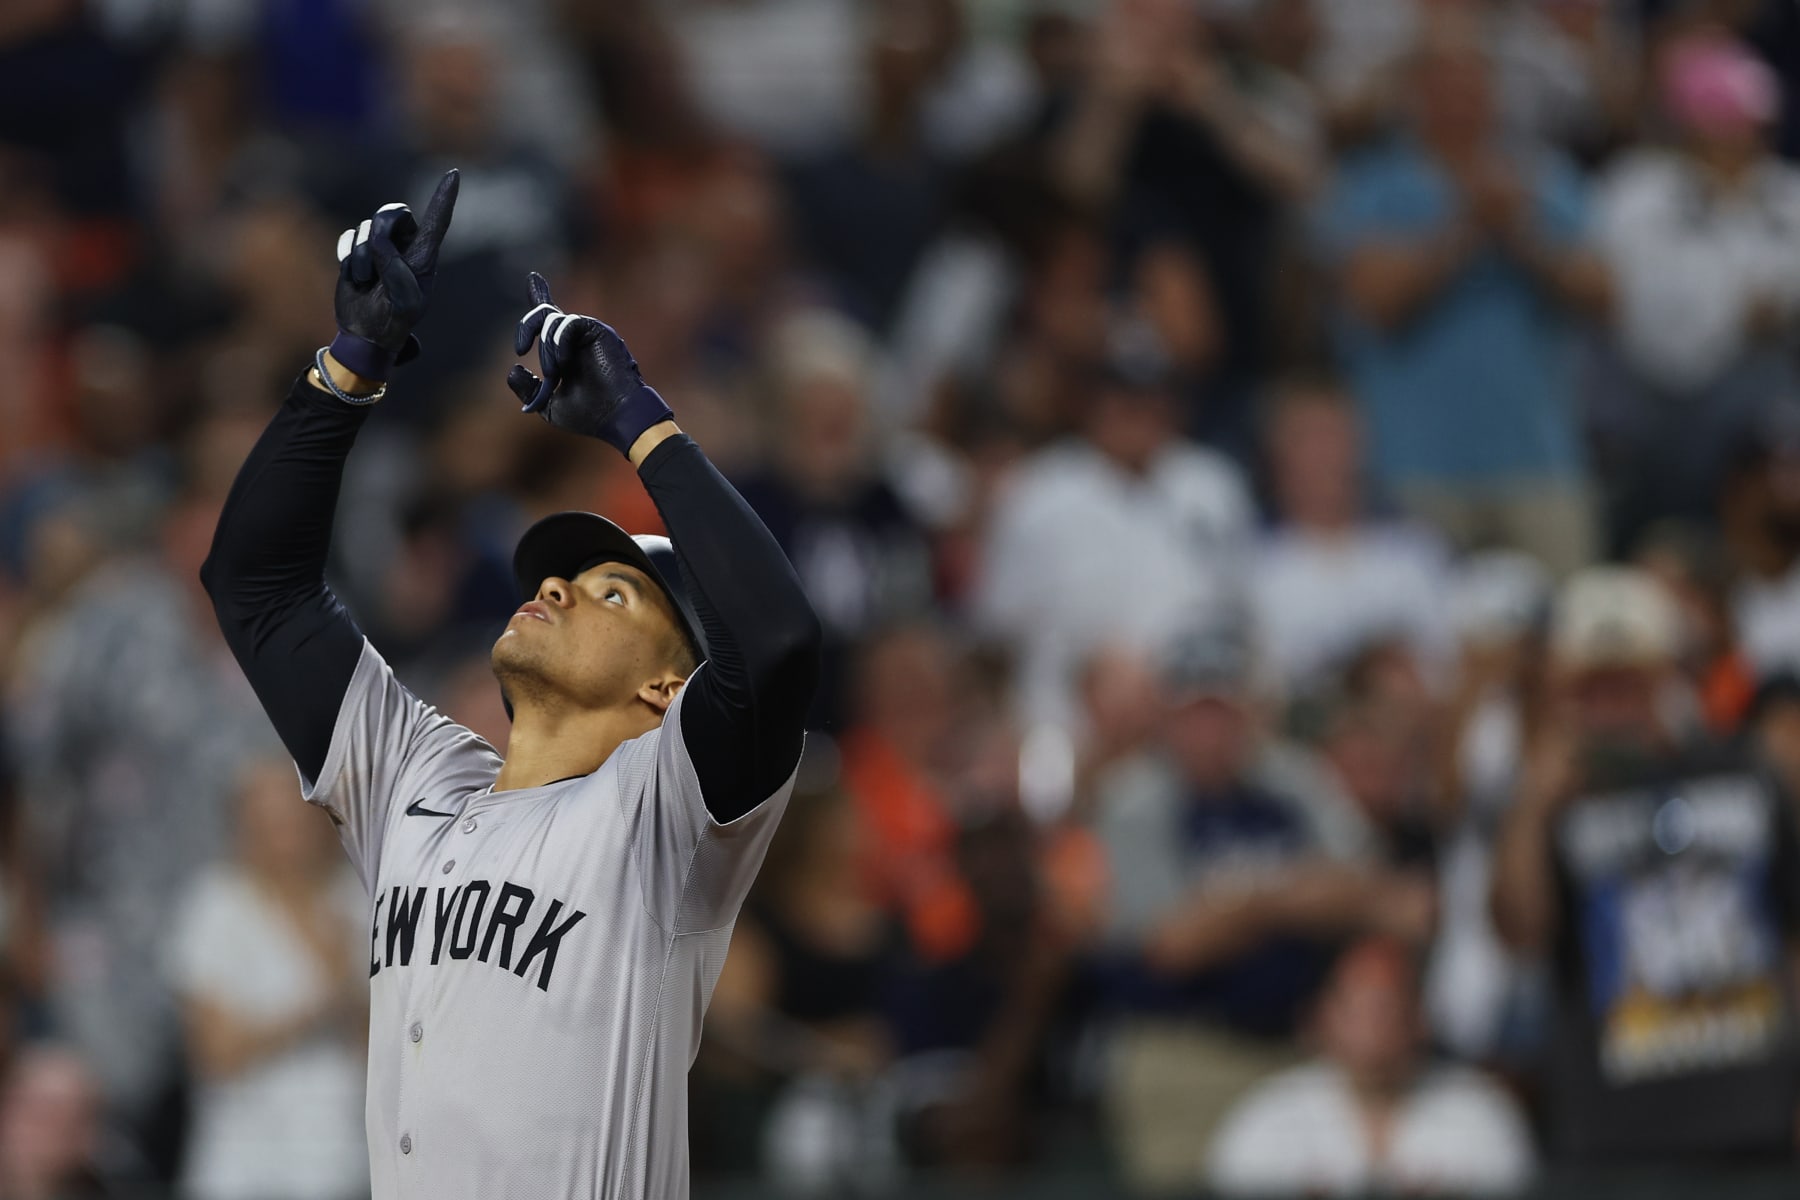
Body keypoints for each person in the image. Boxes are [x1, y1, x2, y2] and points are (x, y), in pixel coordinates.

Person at [200, 171, 823, 1198]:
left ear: (669, 690)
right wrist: (349, 367)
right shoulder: (415, 779)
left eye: (613, 593)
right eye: (564, 576)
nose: (560, 589)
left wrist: (640, 420)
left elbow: (778, 642)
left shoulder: (666, 816)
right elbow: (255, 588)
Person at [1091, 615, 1430, 1190]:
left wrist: (1239, 905)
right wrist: (1295, 897)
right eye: (1193, 711)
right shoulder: (1135, 797)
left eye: (1221, 710)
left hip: (1295, 1052)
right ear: (1168, 716)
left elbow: (1394, 900)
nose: (1208, 730)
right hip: (1183, 1055)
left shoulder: (1291, 781)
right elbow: (1173, 944)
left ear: (1249, 710)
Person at [1490, 565, 1800, 1164]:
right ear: (1561, 692)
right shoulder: (1548, 805)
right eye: (1591, 686)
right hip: (1615, 1131)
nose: (1611, 704)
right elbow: (1521, 934)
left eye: (1626, 681)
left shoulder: (1744, 773)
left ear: (1663, 675)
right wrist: (1531, 806)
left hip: (1756, 1111)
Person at [1319, 12, 1610, 575]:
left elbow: (1604, 297)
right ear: (1413, 95)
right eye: (1442, 85)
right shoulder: (1372, 184)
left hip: (1538, 461)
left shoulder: (1543, 179)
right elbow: (1373, 304)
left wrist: (1521, 236)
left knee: (1561, 634)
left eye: (1473, 84)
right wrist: (1467, 231)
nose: (1460, 100)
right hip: (1413, 468)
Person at [166, 759, 369, 1200]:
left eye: (295, 820)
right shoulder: (216, 907)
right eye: (268, 822)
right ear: (241, 827)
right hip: (242, 1165)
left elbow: (383, 1048)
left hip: (341, 1159)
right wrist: (322, 998)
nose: (285, 838)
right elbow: (216, 1053)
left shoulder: (359, 900)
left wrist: (349, 1000)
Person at [1208, 936, 1536, 1197]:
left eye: (1387, 1007)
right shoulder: (1265, 1121)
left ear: (1420, 1017)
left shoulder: (1482, 1116)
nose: (1373, 1025)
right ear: (1324, 1017)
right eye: (1359, 1008)